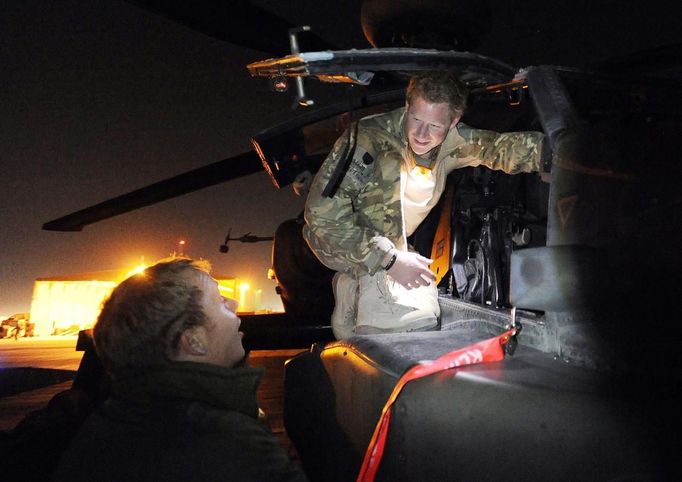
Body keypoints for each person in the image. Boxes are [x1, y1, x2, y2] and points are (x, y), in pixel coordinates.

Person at [303, 71, 545, 338]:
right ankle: (375, 286)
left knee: (424, 291)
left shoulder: (455, 141)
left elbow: (499, 148)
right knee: (407, 323)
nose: (420, 133)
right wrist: (389, 260)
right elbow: (321, 215)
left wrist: (563, 151)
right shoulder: (370, 138)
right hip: (335, 239)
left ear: (454, 121)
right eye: (416, 118)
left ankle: (354, 287)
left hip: (388, 245)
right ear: (407, 106)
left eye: (434, 126)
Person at [52, 257, 307, 482]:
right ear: (194, 340)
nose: (235, 302)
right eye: (220, 301)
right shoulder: (225, 442)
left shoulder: (106, 424)